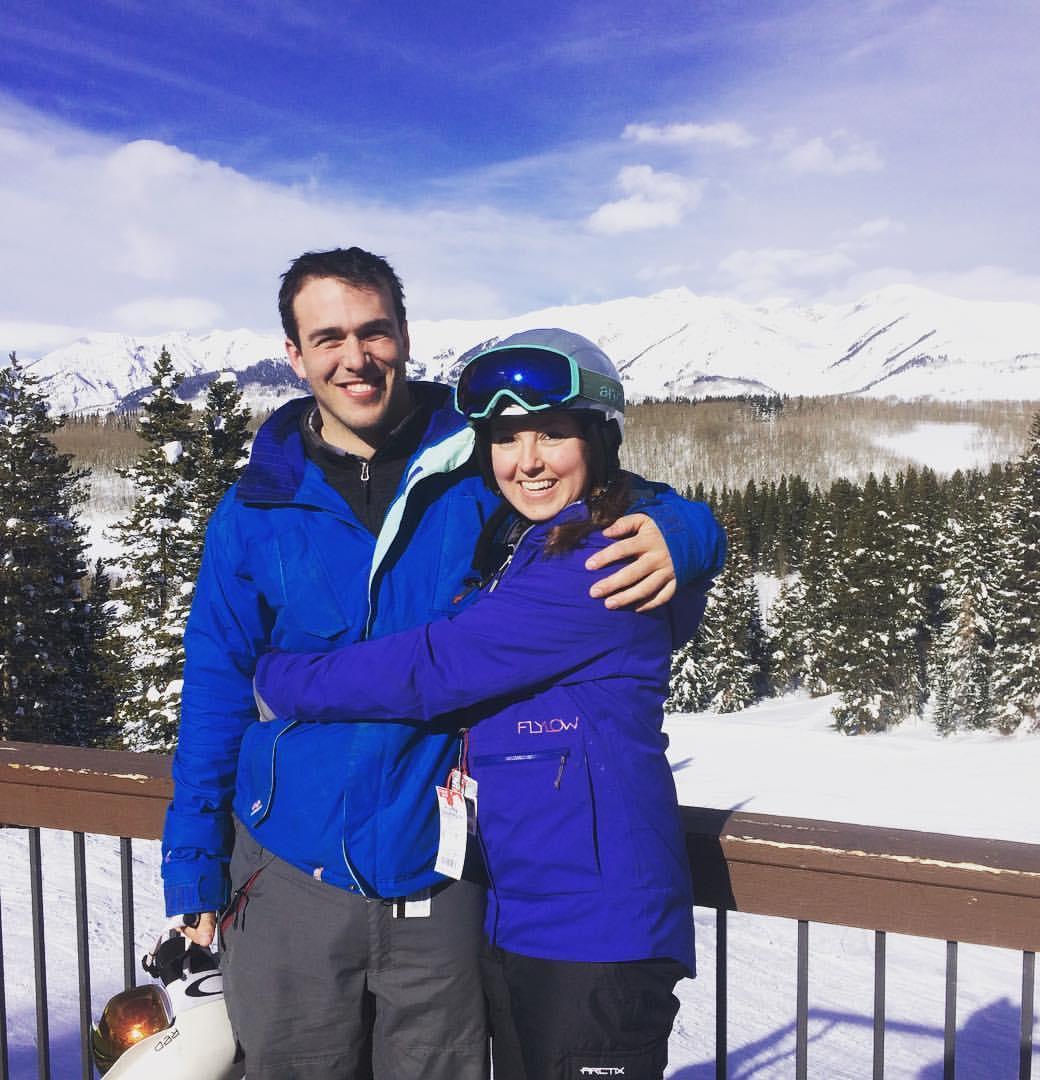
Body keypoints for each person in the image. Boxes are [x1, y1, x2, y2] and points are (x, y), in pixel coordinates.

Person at [161, 248, 726, 1079]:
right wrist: (194, 867)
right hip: (289, 867)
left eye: (374, 331)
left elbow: (597, 487)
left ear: (404, 335)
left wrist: (687, 530)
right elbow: (214, 688)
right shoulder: (256, 509)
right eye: (328, 338)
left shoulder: (474, 461)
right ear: (294, 355)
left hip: (442, 882)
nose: (355, 358)